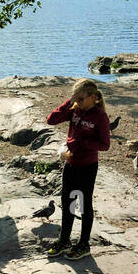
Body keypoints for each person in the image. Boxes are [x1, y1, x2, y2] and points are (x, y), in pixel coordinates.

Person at [44, 79, 112, 260]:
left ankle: (84, 244)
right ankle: (64, 240)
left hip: (88, 166)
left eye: (81, 99)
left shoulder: (100, 116)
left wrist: (81, 143)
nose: (78, 102)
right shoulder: (75, 110)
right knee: (67, 203)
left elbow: (105, 145)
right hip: (71, 164)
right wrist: (69, 102)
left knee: (84, 205)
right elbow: (51, 120)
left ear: (93, 98)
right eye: (76, 98)